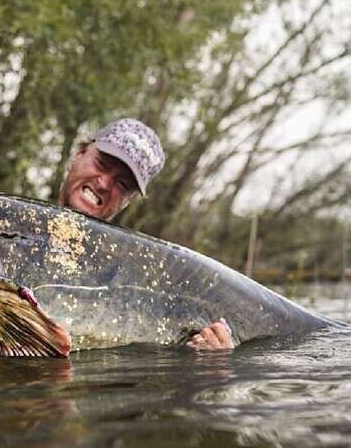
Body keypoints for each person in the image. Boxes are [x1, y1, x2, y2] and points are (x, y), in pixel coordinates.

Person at [58, 118, 234, 351]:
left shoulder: (142, 273)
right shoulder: (5, 222)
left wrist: (212, 357)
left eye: (122, 183)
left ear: (128, 200)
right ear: (79, 153)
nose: (104, 184)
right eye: (101, 164)